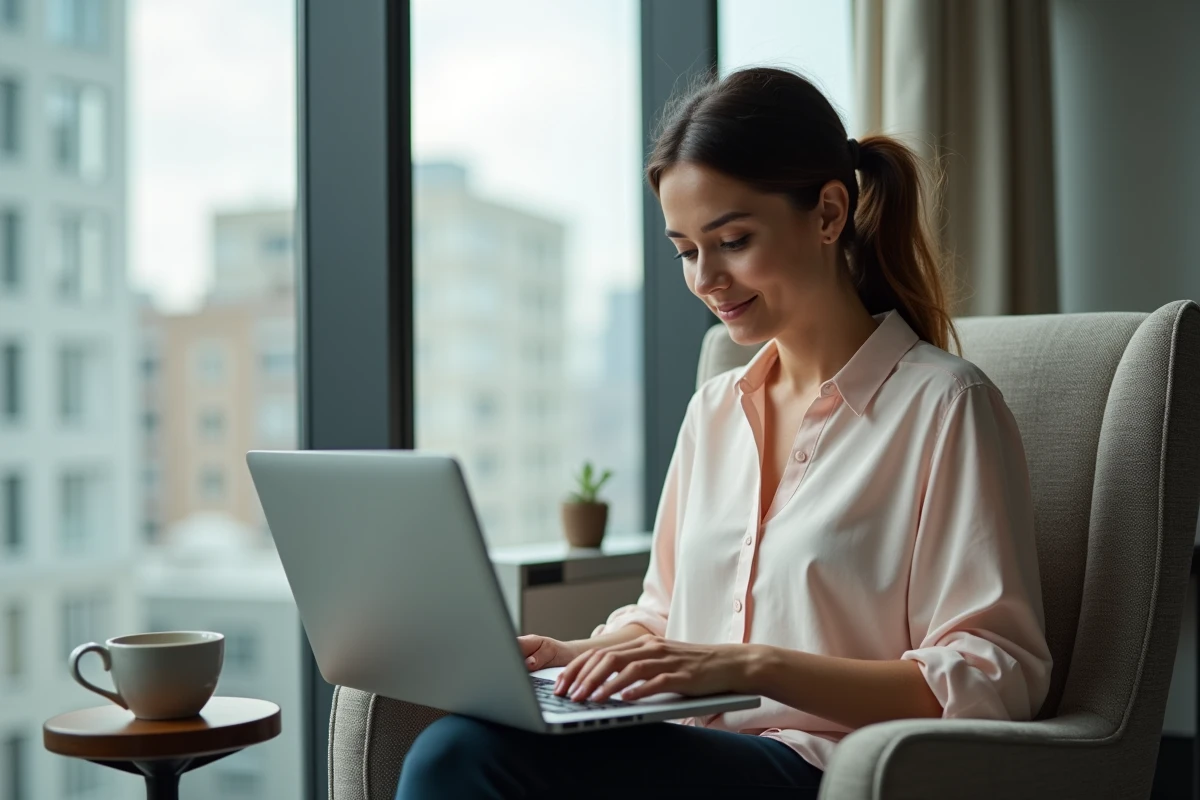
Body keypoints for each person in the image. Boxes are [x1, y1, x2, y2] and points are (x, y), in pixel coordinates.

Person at [395, 65, 1053, 800]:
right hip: (695, 755)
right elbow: (665, 616)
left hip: (828, 773)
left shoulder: (945, 406)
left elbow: (997, 676)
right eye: (685, 249)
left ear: (829, 213)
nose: (706, 278)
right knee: (466, 743)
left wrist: (753, 665)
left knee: (462, 756)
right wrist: (573, 654)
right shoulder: (714, 411)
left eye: (732, 240)